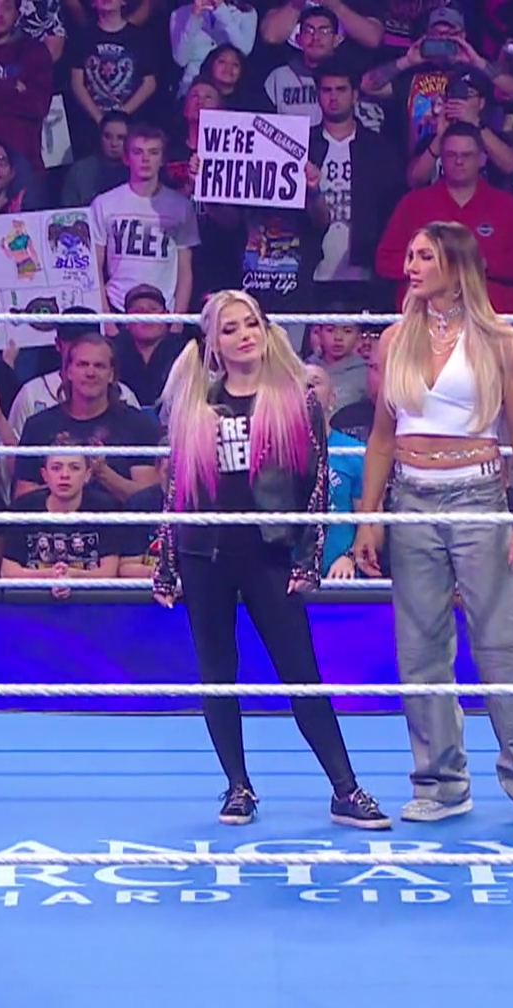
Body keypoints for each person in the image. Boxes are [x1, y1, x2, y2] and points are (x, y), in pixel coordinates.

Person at [351, 222, 513, 830]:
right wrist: (368, 519)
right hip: (411, 498)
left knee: (503, 645)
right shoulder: (395, 338)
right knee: (419, 649)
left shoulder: (501, 341)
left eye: (424, 256)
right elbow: (381, 438)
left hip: (478, 495)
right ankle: (440, 783)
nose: (411, 266)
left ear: (455, 264)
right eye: (410, 255)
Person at [153, 290, 388, 829]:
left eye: (251, 324)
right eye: (230, 328)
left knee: (301, 673)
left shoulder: (296, 401)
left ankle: (346, 789)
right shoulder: (195, 405)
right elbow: (177, 492)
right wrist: (166, 563)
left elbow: (317, 488)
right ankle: (237, 787)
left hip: (270, 553)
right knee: (218, 675)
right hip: (205, 553)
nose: (244, 335)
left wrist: (307, 560)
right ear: (213, 342)